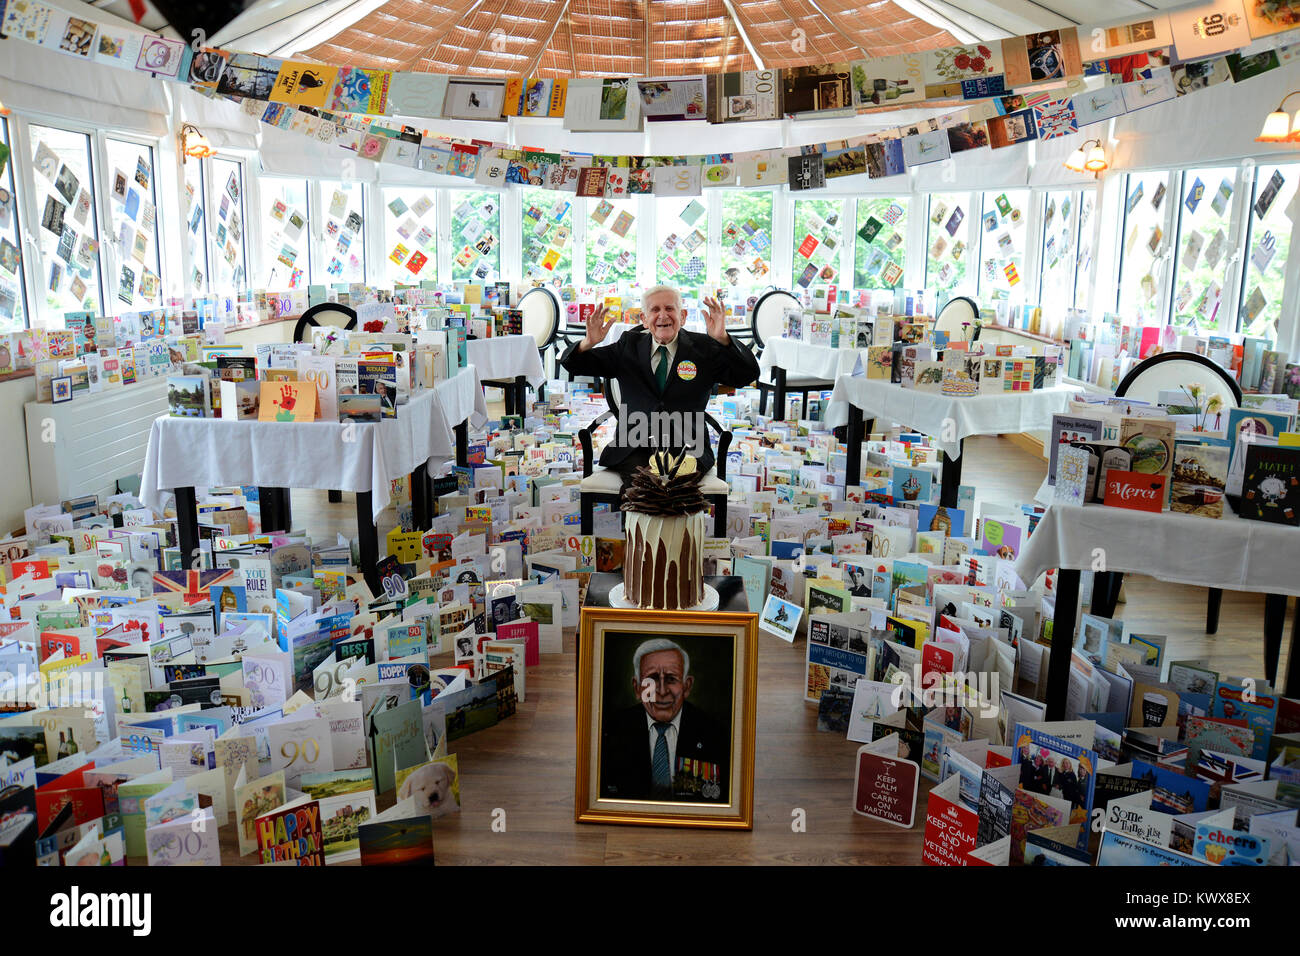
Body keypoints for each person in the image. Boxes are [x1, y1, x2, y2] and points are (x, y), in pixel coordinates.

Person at [560, 285, 759, 481]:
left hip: (689, 446)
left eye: (669, 308)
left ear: (682, 316)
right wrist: (588, 342)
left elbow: (745, 375)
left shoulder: (703, 348)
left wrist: (723, 339)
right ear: (644, 320)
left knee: (677, 482)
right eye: (655, 310)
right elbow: (575, 365)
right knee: (645, 483)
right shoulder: (628, 345)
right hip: (634, 446)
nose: (663, 315)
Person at [600, 638, 730, 802]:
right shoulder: (609, 731)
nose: (661, 691)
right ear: (637, 688)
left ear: (687, 686)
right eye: (652, 678)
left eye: (671, 679)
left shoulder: (715, 735)